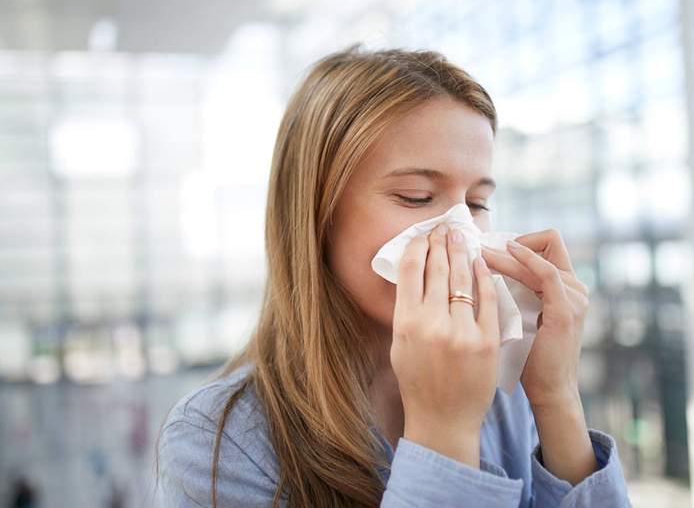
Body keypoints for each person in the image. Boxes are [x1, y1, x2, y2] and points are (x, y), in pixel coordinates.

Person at [154, 44, 631, 507]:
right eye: (417, 197)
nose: (460, 231)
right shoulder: (219, 443)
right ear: (316, 218)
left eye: (478, 203)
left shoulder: (501, 393)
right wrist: (444, 431)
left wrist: (555, 398)